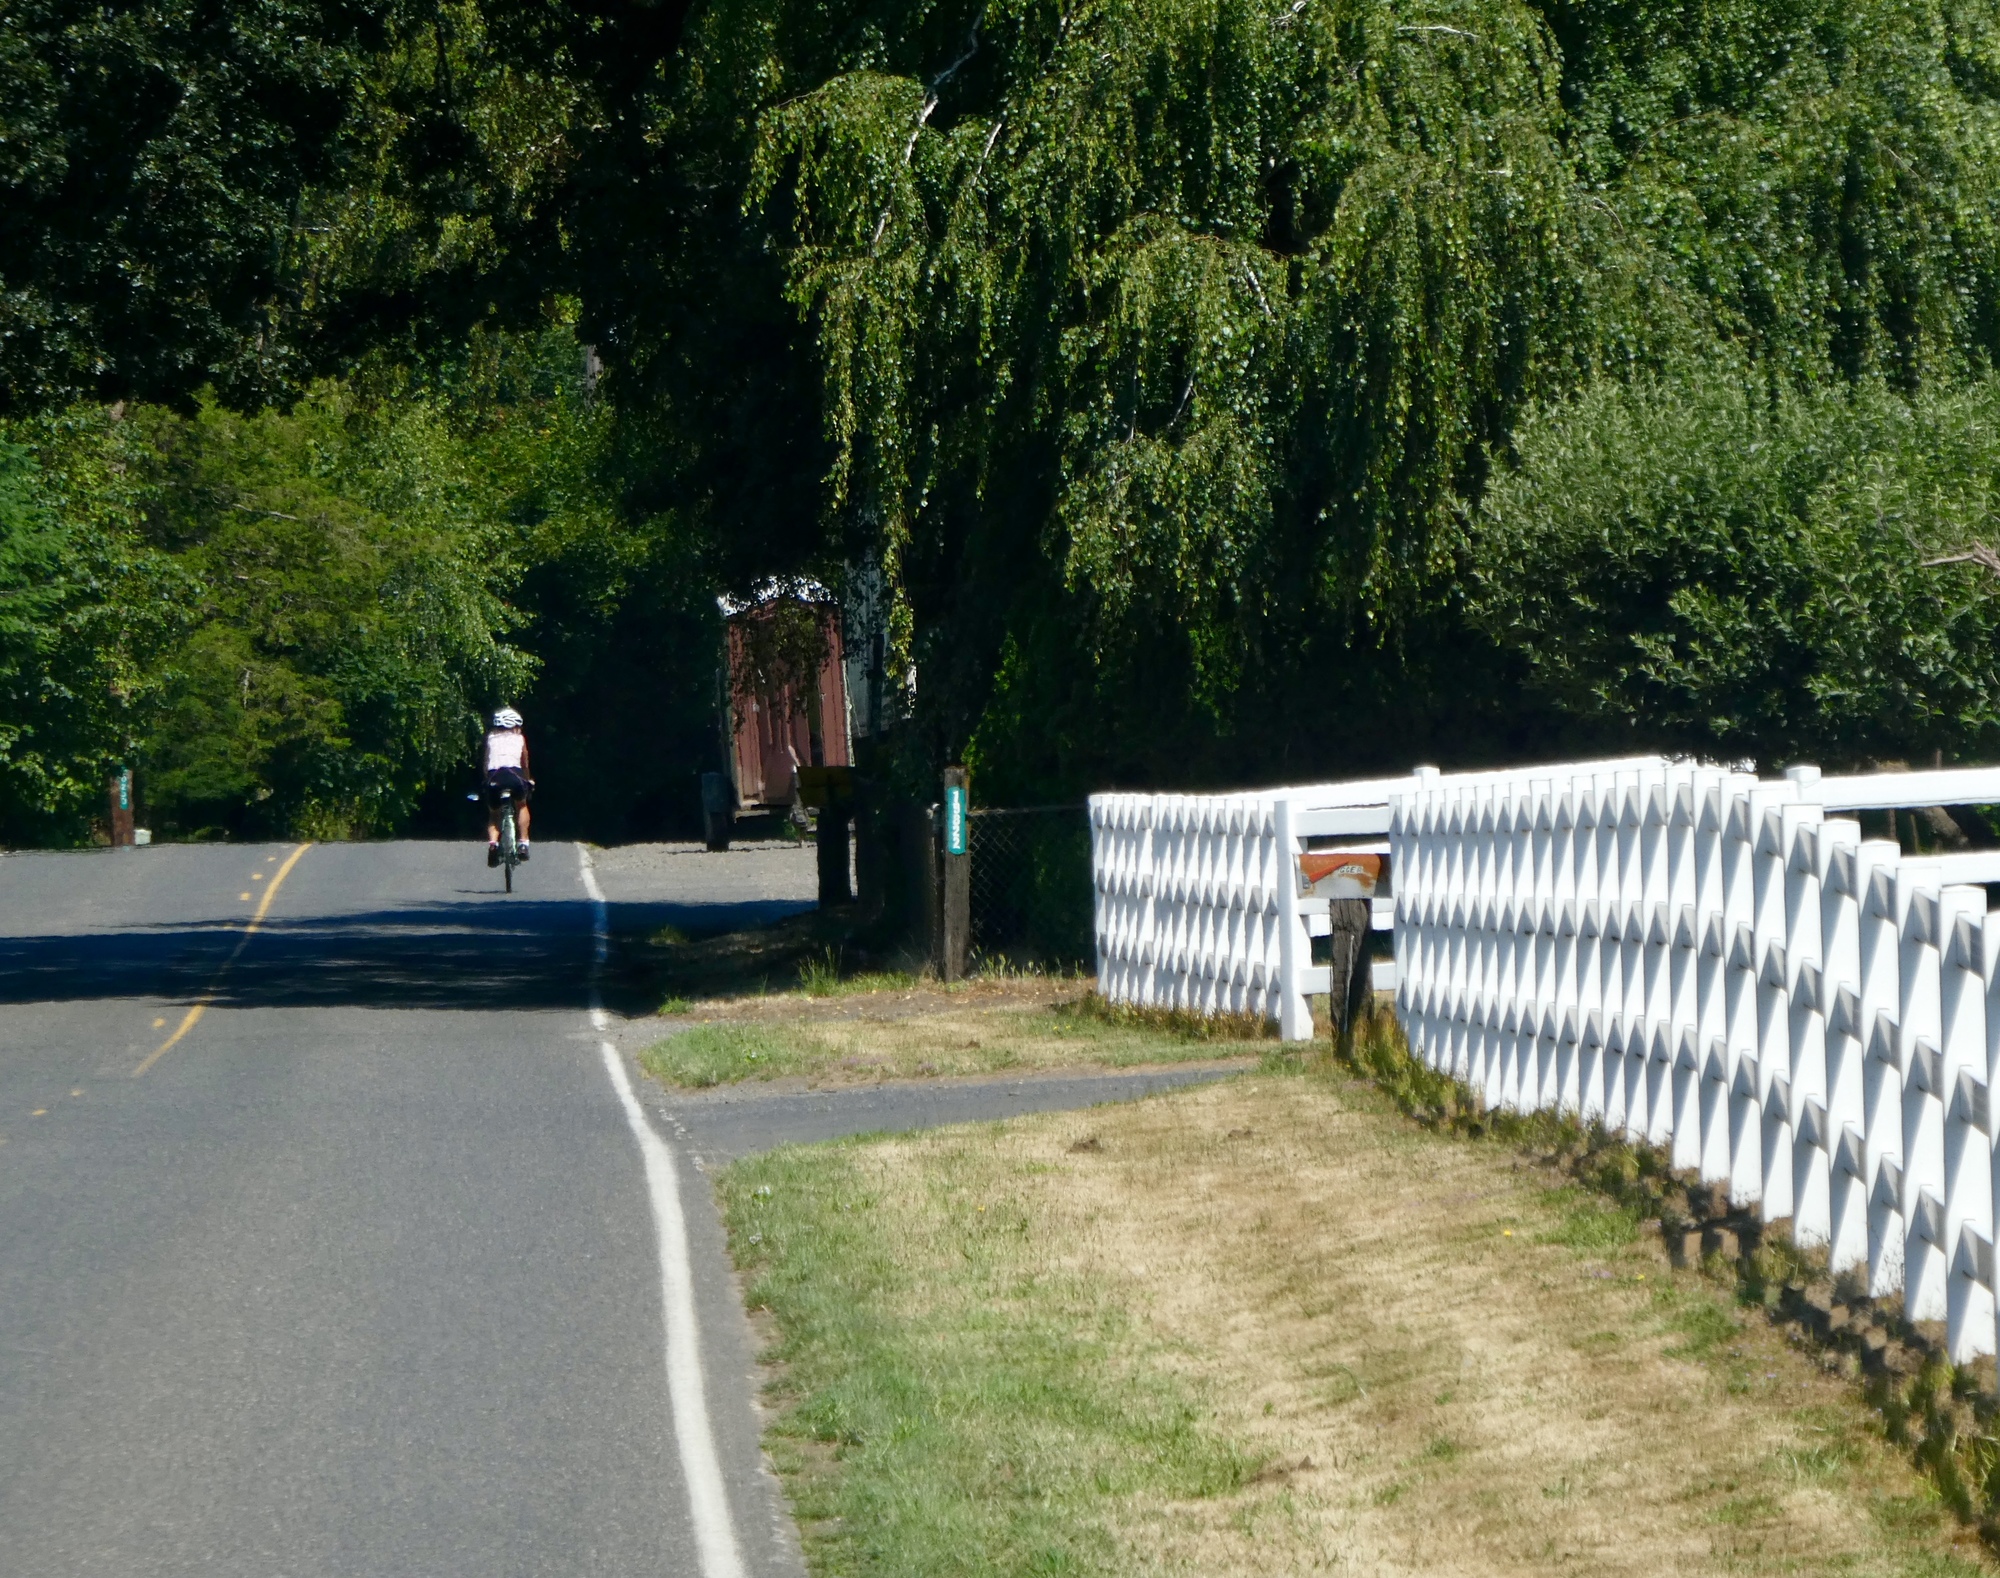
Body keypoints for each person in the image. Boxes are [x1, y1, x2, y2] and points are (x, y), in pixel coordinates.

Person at [483, 707, 533, 865]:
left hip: (494, 777)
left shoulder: (491, 738)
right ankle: (523, 843)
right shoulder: (519, 739)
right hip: (514, 776)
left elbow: (486, 764)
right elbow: (524, 763)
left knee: (494, 814)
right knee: (522, 805)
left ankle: (493, 844)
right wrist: (528, 779)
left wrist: (487, 781)